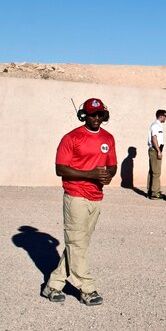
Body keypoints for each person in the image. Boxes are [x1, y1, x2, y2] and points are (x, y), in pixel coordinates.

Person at [42, 98, 117, 306]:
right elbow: (60, 169)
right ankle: (87, 288)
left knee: (79, 244)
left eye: (100, 114)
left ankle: (53, 285)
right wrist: (90, 174)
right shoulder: (72, 137)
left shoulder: (108, 138)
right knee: (76, 242)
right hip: (75, 195)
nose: (96, 118)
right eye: (92, 114)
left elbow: (112, 166)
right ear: (83, 115)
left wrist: (108, 176)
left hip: (97, 196)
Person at [147, 109, 166, 199]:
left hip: (155, 149)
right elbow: (154, 138)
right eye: (165, 116)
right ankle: (155, 193)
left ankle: (151, 191)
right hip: (155, 150)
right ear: (161, 116)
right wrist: (158, 151)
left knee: (152, 171)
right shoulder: (155, 125)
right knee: (156, 172)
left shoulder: (158, 125)